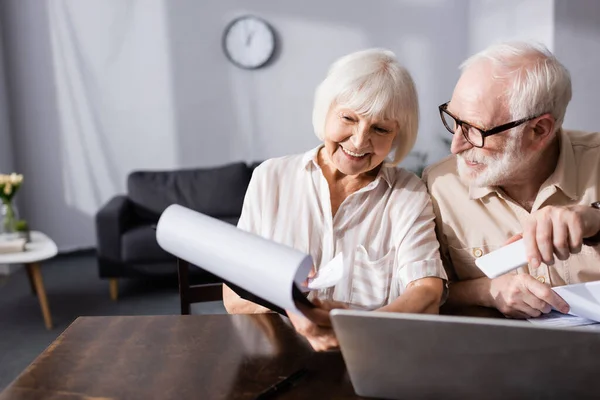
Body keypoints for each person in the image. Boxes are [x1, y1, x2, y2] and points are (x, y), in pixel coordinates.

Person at [223, 48, 447, 351]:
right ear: (326, 111)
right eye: (348, 118)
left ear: (397, 135)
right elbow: (234, 296)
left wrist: (361, 330)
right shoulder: (270, 177)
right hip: (282, 353)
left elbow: (427, 291)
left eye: (380, 128)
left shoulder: (408, 193)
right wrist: (298, 310)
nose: (358, 141)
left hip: (372, 353)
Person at [423, 41, 600, 319]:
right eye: (454, 120)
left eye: (476, 131)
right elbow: (429, 293)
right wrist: (487, 291)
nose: (455, 145)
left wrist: (595, 221)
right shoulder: (439, 185)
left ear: (539, 130)